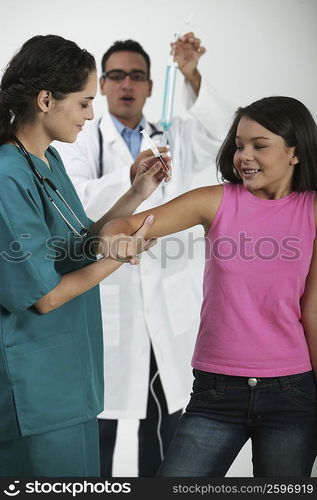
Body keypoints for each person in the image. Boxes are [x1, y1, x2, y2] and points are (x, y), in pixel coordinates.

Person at [99, 96, 317, 477]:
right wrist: (119, 241)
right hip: (216, 393)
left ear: (295, 152)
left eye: (259, 146)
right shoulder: (215, 202)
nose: (244, 155)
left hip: (292, 394)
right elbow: (119, 226)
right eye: (239, 144)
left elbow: (313, 310)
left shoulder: (312, 211)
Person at [56, 33, 232, 477]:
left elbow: (227, 130)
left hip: (166, 308)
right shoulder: (79, 141)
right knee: (101, 425)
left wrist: (191, 73)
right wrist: (130, 177)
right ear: (102, 85)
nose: (126, 84)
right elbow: (75, 205)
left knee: (164, 424)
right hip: (109, 298)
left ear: (151, 86)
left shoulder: (172, 135)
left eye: (136, 76)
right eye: (115, 76)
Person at [0, 34, 169, 477]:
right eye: (83, 102)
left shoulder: (48, 160)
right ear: (45, 99)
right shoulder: (7, 176)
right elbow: (46, 296)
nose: (92, 114)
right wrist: (122, 255)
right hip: (35, 387)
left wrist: (137, 192)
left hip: (71, 379)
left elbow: (80, 243)